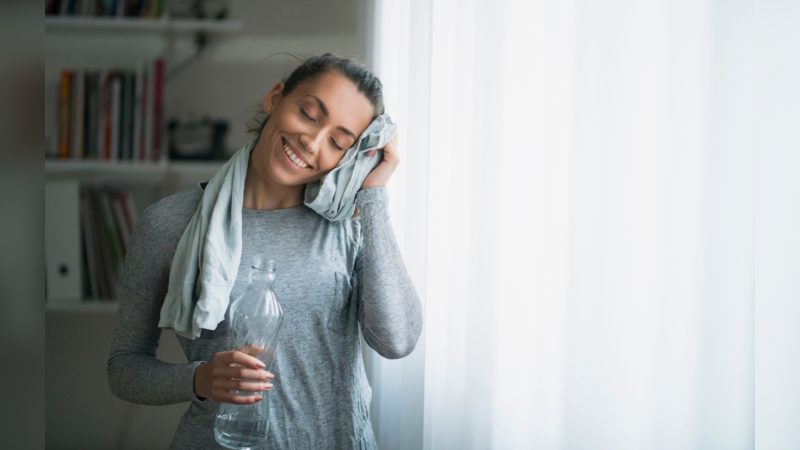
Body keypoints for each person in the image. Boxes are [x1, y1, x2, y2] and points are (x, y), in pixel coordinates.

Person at [107, 53, 423, 449]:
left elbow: (397, 340)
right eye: (309, 114)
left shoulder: (350, 225)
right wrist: (200, 379)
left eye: (338, 142)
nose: (312, 141)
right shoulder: (169, 222)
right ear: (275, 98)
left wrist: (373, 195)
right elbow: (124, 368)